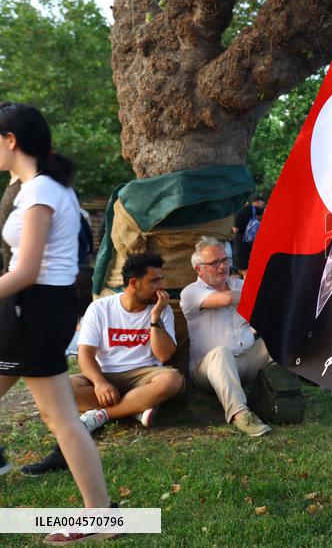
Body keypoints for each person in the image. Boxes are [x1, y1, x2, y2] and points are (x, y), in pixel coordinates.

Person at [0, 102, 113, 540]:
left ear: (12, 141)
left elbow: (27, 270)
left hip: (37, 310)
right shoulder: (36, 187)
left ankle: (100, 516)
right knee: (61, 418)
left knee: (62, 419)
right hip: (30, 310)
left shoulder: (42, 192)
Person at [21, 253, 185, 476]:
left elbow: (164, 355)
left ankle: (100, 416)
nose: (161, 286)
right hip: (106, 374)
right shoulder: (100, 308)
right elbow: (85, 355)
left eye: (161, 279)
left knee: (172, 380)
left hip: (146, 375)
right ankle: (136, 408)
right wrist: (99, 382)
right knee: (61, 389)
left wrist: (155, 318)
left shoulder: (161, 309)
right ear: (134, 283)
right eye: (154, 280)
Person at [181, 236, 273, 437]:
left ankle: (284, 392)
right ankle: (240, 415)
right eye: (214, 263)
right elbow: (227, 299)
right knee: (221, 353)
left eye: (225, 260)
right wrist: (261, 290)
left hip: (247, 359)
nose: (222, 266)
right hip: (209, 370)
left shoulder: (239, 285)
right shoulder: (191, 292)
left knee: (275, 339)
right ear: (199, 269)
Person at [232, 194, 265, 275]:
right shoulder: (257, 211)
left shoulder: (239, 211)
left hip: (240, 243)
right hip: (253, 242)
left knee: (242, 269)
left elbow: (235, 229)